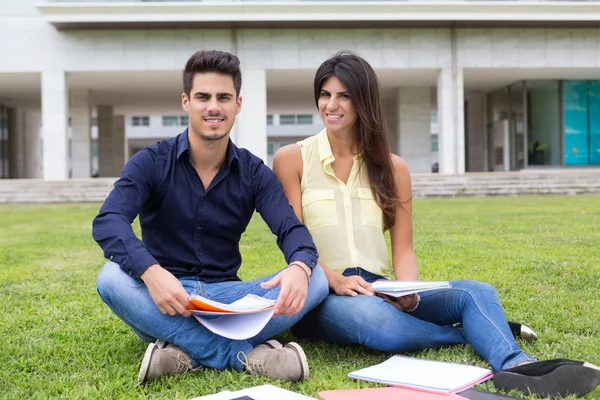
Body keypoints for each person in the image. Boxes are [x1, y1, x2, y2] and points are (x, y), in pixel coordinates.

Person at [272, 51, 600, 398]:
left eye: (344, 95)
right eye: (325, 94)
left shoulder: (393, 167)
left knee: (477, 292)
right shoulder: (292, 159)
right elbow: (297, 243)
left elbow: (403, 247)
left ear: (364, 101)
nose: (331, 104)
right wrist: (336, 280)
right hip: (322, 291)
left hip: (379, 286)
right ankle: (470, 332)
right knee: (378, 322)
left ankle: (515, 364)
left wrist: (408, 292)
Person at [92, 50, 329, 383]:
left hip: (228, 300)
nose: (213, 107)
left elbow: (291, 229)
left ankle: (180, 353)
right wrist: (150, 272)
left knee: (315, 277)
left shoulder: (254, 172)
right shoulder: (151, 161)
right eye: (203, 97)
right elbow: (109, 220)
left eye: (223, 97)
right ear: (187, 102)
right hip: (167, 298)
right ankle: (244, 356)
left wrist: (299, 266)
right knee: (110, 278)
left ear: (238, 104)